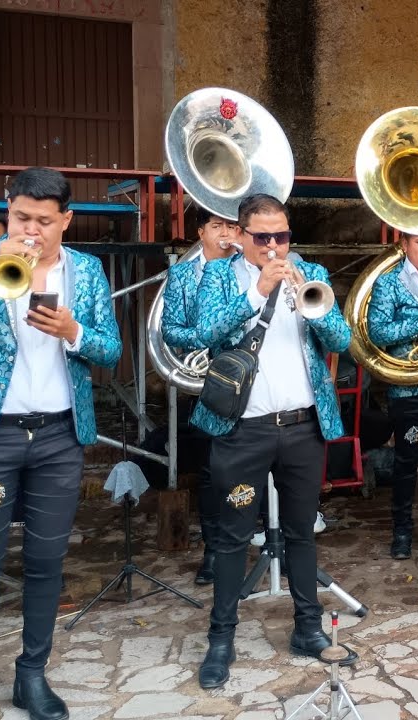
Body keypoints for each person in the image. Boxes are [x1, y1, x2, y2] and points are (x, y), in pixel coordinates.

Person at [0, 167, 122, 720]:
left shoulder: (88, 270)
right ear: (8, 210)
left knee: (46, 562)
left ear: (66, 221)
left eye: (44, 221)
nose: (31, 230)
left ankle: (32, 675)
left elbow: (110, 351)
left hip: (58, 435)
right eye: (21, 217)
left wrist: (74, 333)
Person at [191, 193, 351, 689]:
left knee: (303, 531)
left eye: (282, 236)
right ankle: (222, 638)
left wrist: (314, 306)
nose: (274, 246)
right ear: (240, 237)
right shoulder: (219, 276)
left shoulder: (309, 271)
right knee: (233, 535)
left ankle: (308, 628)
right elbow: (201, 331)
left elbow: (342, 340)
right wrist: (257, 292)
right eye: (262, 238)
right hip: (243, 431)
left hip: (302, 427)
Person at [162, 206, 240, 585]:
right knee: (212, 470)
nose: (225, 233)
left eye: (231, 225)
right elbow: (171, 331)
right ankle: (214, 550)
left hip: (256, 380)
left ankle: (259, 543)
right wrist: (203, 339)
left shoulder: (252, 269)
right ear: (201, 232)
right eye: (217, 225)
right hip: (210, 382)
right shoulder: (180, 276)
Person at [366, 232, 418, 559]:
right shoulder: (389, 283)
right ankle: (401, 529)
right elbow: (379, 331)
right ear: (404, 246)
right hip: (409, 387)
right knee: (406, 460)